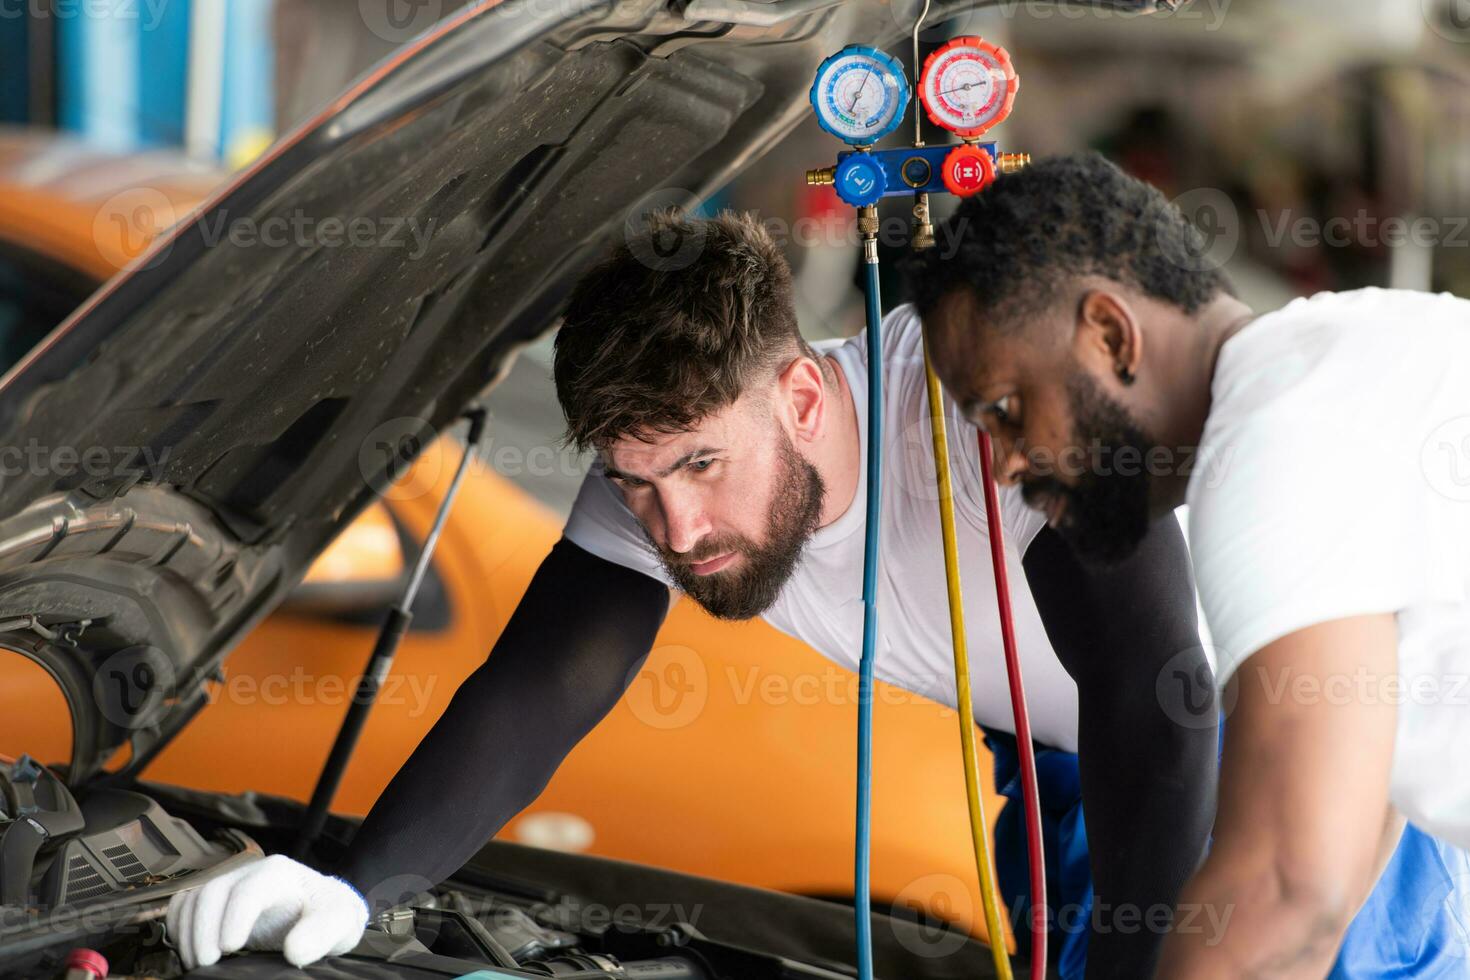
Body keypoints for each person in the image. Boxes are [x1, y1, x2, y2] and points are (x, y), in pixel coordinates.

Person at [167, 209, 1224, 977]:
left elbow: (1165, 699)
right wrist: (356, 884)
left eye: (703, 467)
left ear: (801, 396)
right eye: (635, 481)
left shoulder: (979, 411)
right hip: (1067, 778)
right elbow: (538, 689)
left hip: (1267, 760)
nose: (675, 529)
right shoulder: (655, 474)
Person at [909, 151, 1470, 978]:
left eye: (1006, 410)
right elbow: (1343, 850)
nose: (1002, 465)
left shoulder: (1274, 440)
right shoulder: (1354, 354)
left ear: (1109, 334)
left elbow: (1289, 889)